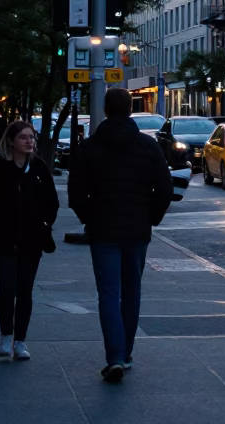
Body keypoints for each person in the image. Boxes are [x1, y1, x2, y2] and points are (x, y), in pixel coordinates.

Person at [68, 88, 173, 383]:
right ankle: (125, 353)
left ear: (105, 109)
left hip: (103, 230)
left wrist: (90, 218)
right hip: (137, 229)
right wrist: (150, 217)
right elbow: (165, 190)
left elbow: (76, 194)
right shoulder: (148, 146)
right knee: (132, 291)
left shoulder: (89, 148)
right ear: (130, 110)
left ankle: (114, 356)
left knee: (108, 293)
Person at [0, 120, 59, 361]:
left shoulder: (40, 168)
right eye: (23, 137)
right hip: (3, 241)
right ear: (11, 141)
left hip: (32, 240)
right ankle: (6, 336)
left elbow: (52, 202)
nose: (29, 141)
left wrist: (44, 224)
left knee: (25, 290)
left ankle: (21, 341)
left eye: (31, 137)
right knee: (7, 288)